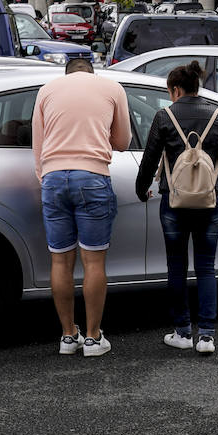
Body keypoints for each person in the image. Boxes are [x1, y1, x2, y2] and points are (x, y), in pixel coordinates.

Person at [136, 61, 218, 355]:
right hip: (211, 201)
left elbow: (149, 160)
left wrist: (141, 190)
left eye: (171, 91)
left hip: (174, 202)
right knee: (207, 267)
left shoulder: (163, 117)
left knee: (176, 267)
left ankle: (182, 331)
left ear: (177, 89)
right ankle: (206, 336)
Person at [32, 59, 131, 358]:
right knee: (93, 261)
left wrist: (48, 178)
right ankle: (92, 337)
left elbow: (38, 147)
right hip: (92, 177)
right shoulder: (112, 88)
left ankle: (67, 336)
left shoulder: (46, 91)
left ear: (67, 74)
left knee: (60, 262)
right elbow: (123, 142)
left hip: (52, 178)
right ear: (91, 72)